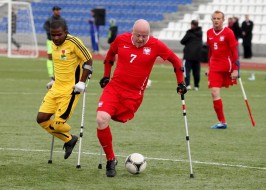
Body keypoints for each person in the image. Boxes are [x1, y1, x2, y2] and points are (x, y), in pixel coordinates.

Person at [96, 19, 187, 177]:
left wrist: (181, 82)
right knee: (101, 119)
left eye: (144, 36)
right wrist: (106, 75)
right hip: (114, 88)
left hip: (133, 94)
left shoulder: (155, 45)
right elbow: (110, 55)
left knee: (115, 118)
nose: (141, 39)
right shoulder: (121, 40)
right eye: (138, 35)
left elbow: (175, 60)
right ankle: (111, 160)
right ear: (133, 32)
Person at [36, 20, 93, 160]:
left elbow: (89, 60)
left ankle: (67, 135)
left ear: (66, 32)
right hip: (56, 88)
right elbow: (60, 65)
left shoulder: (74, 42)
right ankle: (69, 139)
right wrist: (54, 79)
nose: (55, 38)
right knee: (41, 119)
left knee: (57, 124)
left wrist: (81, 82)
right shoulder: (53, 44)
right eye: (52, 35)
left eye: (59, 35)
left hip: (70, 90)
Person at [206, 10, 239, 129]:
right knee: (214, 92)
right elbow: (210, 51)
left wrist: (236, 69)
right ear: (212, 20)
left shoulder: (229, 33)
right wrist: (209, 67)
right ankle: (222, 122)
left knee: (216, 92)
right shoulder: (209, 32)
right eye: (214, 18)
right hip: (214, 67)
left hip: (226, 66)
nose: (216, 20)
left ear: (223, 20)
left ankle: (222, 121)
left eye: (218, 18)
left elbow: (234, 51)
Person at [43, 6, 67, 80]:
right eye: (56, 10)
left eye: (59, 10)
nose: (58, 11)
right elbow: (45, 28)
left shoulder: (62, 20)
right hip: (51, 41)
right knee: (50, 57)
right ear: (53, 11)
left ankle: (63, 72)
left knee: (63, 56)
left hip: (62, 42)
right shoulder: (49, 20)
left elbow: (66, 29)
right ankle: (51, 74)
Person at [180, 19, 203, 91]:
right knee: (196, 72)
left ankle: (188, 85)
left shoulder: (189, 33)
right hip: (197, 56)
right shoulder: (200, 33)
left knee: (186, 71)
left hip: (188, 55)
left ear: (192, 25)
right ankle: (196, 86)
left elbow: (182, 41)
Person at [241, 15, 255, 80]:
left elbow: (250, 28)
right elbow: (242, 28)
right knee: (244, 46)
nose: (246, 18)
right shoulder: (243, 22)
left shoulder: (251, 22)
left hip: (249, 36)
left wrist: (246, 32)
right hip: (244, 36)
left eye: (247, 17)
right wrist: (243, 32)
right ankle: (245, 55)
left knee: (248, 46)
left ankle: (249, 55)